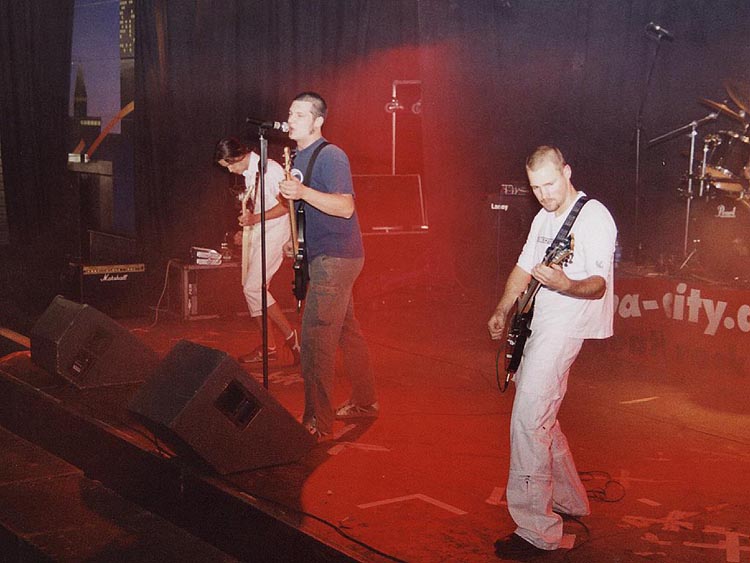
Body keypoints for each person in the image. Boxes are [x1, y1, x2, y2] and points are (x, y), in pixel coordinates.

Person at [487, 146, 617, 559]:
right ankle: (569, 499)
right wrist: (502, 309)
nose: (543, 194)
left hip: (565, 327)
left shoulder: (594, 217)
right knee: (541, 414)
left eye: (549, 184)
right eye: (536, 188)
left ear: (567, 172)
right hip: (537, 323)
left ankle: (536, 531)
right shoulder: (544, 217)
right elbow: (524, 267)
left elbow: (598, 284)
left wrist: (565, 285)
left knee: (528, 419)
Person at [278, 92, 377, 441]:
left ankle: (317, 423)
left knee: (316, 339)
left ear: (318, 121)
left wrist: (302, 192)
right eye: (290, 113)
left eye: (300, 115)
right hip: (326, 255)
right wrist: (296, 240)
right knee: (347, 331)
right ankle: (365, 401)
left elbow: (345, 207)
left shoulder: (330, 155)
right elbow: (306, 207)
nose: (291, 120)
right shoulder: (298, 156)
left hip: (336, 257)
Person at [214, 137, 300, 365]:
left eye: (229, 165)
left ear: (239, 156)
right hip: (261, 232)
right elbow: (260, 207)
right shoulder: (250, 173)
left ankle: (292, 338)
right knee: (251, 288)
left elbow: (286, 205)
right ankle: (269, 347)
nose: (230, 170)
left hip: (275, 233)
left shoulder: (270, 170)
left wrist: (255, 219)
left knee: (253, 288)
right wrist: (247, 226)